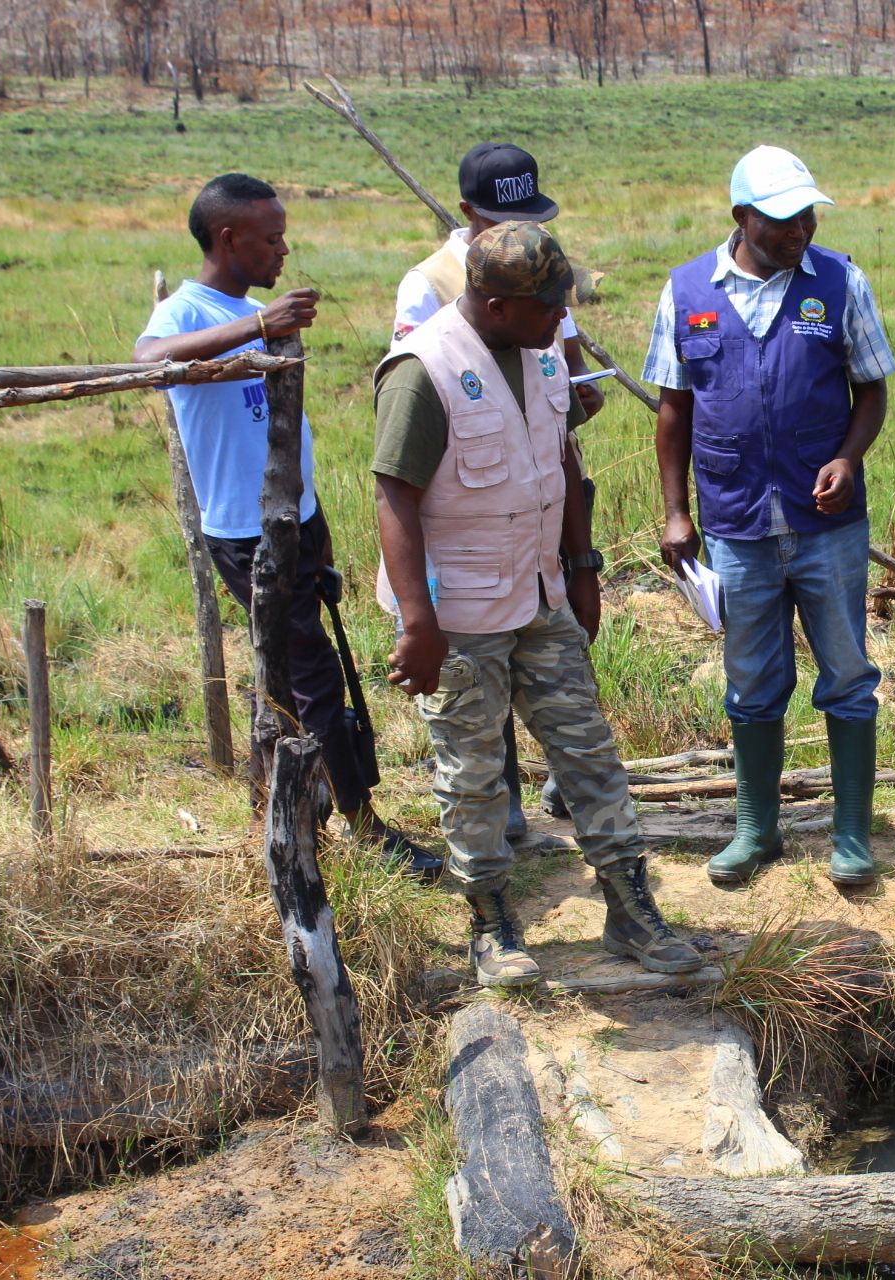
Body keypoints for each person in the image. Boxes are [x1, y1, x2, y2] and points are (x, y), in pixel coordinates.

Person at [372, 221, 699, 987]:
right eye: (548, 305)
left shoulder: (544, 352)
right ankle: (491, 921)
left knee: (589, 754)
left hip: (540, 591)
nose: (562, 316)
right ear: (495, 304)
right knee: (473, 772)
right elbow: (394, 497)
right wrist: (419, 623)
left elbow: (562, 462)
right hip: (459, 612)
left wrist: (583, 569)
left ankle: (630, 909)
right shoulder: (424, 369)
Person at [136, 173, 438, 878]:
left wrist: (317, 524)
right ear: (228, 238)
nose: (283, 249)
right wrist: (259, 328)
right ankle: (362, 827)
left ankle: (296, 805)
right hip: (247, 531)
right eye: (271, 238)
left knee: (303, 668)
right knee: (312, 675)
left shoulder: (252, 308)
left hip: (294, 515)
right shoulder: (188, 312)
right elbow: (146, 362)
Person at [645, 145, 895, 888]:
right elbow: (673, 410)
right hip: (736, 523)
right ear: (742, 218)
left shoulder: (841, 281)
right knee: (751, 681)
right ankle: (756, 828)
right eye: (784, 220)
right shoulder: (686, 290)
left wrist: (848, 458)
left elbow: (872, 389)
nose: (801, 231)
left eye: (807, 216)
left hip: (829, 527)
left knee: (847, 674)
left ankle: (851, 833)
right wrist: (676, 512)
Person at [392, 142, 603, 838]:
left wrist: (582, 565)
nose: (519, 230)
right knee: (474, 737)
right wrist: (417, 617)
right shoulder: (428, 295)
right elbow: (403, 470)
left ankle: (582, 827)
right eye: (501, 217)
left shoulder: (541, 298)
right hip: (466, 565)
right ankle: (495, 845)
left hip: (537, 544)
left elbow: (562, 414)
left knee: (571, 712)